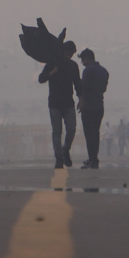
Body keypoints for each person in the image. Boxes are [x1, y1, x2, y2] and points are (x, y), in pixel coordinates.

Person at [38, 41, 82, 169]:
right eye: (67, 53)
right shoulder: (52, 63)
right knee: (57, 132)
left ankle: (65, 150)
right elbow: (41, 78)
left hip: (68, 103)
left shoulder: (73, 66)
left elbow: (77, 83)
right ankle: (59, 158)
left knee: (71, 129)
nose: (68, 55)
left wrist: (81, 99)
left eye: (71, 54)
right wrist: (51, 73)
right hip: (55, 103)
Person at [77, 48, 109, 170]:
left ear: (87, 59)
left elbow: (84, 87)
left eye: (82, 60)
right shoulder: (104, 71)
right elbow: (104, 89)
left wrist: (81, 100)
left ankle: (93, 160)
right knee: (96, 133)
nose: (82, 63)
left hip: (89, 106)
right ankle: (93, 158)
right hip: (99, 106)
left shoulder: (87, 71)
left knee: (89, 134)